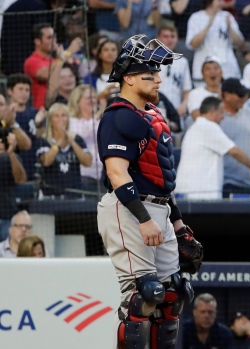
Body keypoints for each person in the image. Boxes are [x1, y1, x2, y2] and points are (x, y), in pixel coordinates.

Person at [96, 34, 197, 348]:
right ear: (127, 78)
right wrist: (143, 219)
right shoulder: (118, 116)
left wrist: (178, 225)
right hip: (128, 207)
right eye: (148, 75)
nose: (158, 79)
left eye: (158, 73)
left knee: (175, 292)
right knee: (145, 295)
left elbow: (161, 179)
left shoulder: (153, 114)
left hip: (159, 209)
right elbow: (116, 173)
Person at [176, 96, 250, 200]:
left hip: (187, 193)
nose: (223, 117)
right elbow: (234, 151)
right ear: (213, 111)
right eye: (221, 112)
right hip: (199, 194)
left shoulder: (195, 127)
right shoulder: (208, 127)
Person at [220, 78, 250, 198]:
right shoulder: (217, 118)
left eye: (245, 94)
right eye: (240, 95)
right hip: (225, 182)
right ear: (227, 95)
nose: (244, 98)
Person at [35, 103, 92, 198]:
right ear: (50, 120)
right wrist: (60, 141)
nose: (60, 119)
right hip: (50, 196)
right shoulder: (44, 140)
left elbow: (88, 162)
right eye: (56, 116)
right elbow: (46, 161)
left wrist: (72, 142)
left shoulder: (77, 139)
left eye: (63, 115)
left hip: (75, 194)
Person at [24, 23, 83, 109]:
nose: (54, 41)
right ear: (37, 41)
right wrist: (68, 52)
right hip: (41, 109)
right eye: (49, 38)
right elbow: (46, 75)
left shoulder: (57, 61)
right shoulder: (32, 61)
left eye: (54, 37)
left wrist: (62, 57)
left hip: (61, 106)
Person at [186, 0, 244, 81]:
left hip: (228, 68)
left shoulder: (227, 16)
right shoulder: (196, 17)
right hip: (204, 67)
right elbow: (193, 44)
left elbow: (240, 43)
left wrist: (230, 27)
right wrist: (209, 24)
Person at [67, 85, 105, 193]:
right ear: (77, 101)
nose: (93, 100)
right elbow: (80, 137)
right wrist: (99, 113)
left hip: (104, 173)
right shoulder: (72, 121)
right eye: (89, 98)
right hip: (84, 173)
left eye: (94, 97)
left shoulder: (102, 120)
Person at [157, 24, 193, 117]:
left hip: (176, 110)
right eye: (166, 36)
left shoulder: (183, 62)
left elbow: (187, 90)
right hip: (154, 109)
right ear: (158, 39)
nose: (170, 40)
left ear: (177, 39)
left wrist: (184, 105)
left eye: (173, 37)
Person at [0, 137, 26, 241]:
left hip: (6, 216)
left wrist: (10, 154)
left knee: (11, 252)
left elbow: (20, 179)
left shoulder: (10, 158)